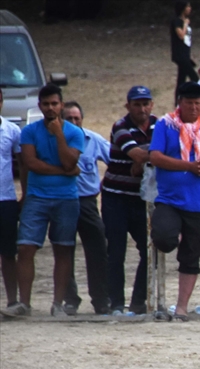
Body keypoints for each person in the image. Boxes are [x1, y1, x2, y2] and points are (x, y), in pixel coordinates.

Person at [148, 81, 200, 321]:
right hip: (171, 199)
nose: (193, 107)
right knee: (163, 236)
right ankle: (176, 235)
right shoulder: (165, 125)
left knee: (192, 257)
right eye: (189, 102)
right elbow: (155, 156)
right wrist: (189, 166)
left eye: (197, 103)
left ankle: (181, 307)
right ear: (179, 102)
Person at [14, 84, 83, 318]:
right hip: (36, 196)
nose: (51, 108)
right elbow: (30, 163)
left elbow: (70, 161)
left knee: (63, 248)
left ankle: (57, 303)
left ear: (61, 105)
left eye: (55, 103)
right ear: (40, 106)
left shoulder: (74, 132)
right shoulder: (30, 131)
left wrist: (59, 135)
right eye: (46, 104)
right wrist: (64, 172)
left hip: (66, 199)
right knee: (25, 247)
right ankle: (24, 303)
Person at [100, 86, 156, 316]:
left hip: (141, 200)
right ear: (128, 106)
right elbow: (140, 154)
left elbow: (171, 150)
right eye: (136, 104)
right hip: (116, 197)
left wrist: (143, 158)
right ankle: (115, 303)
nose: (142, 109)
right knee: (116, 251)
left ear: (151, 104)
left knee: (149, 249)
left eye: (145, 103)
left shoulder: (159, 125)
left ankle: (138, 301)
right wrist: (147, 156)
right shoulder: (120, 126)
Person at [60, 102, 111, 316]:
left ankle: (101, 299)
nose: (73, 122)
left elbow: (115, 160)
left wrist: (104, 183)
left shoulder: (93, 139)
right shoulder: (56, 141)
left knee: (98, 249)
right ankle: (70, 299)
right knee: (64, 250)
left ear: (82, 119)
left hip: (88, 202)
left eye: (76, 118)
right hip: (62, 201)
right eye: (68, 119)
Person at [0, 89, 22, 315]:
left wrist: (24, 193)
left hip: (5, 197)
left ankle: (12, 300)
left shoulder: (12, 130)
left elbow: (22, 164)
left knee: (8, 251)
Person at [171, 1, 197, 94]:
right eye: (188, 7)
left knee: (181, 81)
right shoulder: (177, 21)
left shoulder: (184, 21)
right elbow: (181, 35)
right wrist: (185, 24)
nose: (190, 9)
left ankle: (177, 102)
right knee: (195, 78)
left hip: (185, 54)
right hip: (180, 55)